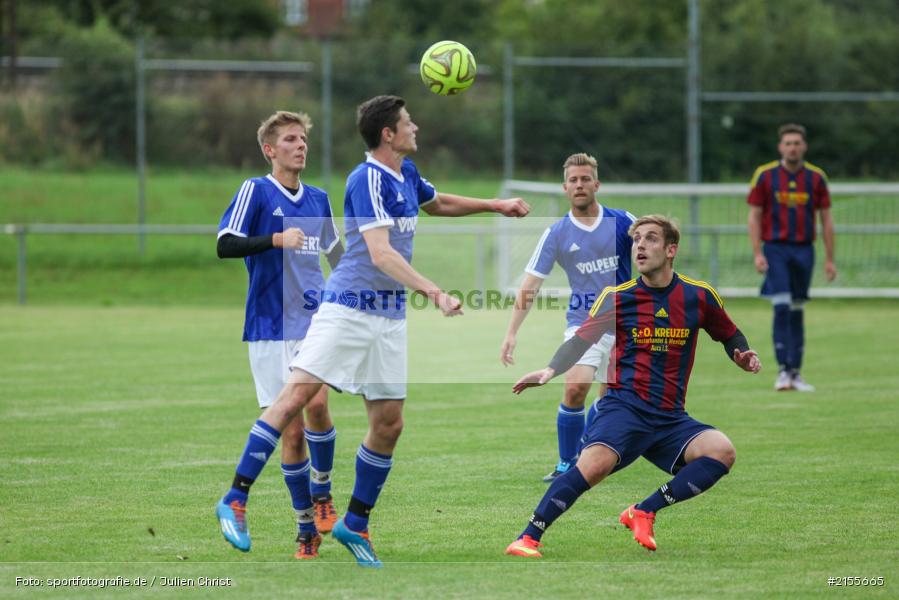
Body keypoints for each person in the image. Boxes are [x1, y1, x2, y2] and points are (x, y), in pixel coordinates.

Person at [216, 95, 530, 567]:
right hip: (345, 309)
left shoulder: (405, 176)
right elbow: (380, 253)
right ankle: (236, 497)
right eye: (408, 123)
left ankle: (354, 523)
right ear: (388, 133)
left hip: (387, 316)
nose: (415, 127)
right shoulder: (365, 179)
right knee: (297, 400)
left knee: (388, 423)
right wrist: (436, 292)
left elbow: (438, 202)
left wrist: (495, 204)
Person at [505, 215, 761, 557]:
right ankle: (527, 538)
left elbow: (729, 333)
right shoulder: (617, 297)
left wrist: (740, 355)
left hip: (670, 417)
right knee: (591, 468)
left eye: (650, 239)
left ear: (671, 249)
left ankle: (644, 510)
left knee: (721, 451)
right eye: (637, 239)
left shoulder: (698, 296)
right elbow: (581, 341)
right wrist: (550, 370)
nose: (640, 245)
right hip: (624, 408)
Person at [216, 110, 344, 559]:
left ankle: (323, 490)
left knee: (320, 405)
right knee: (290, 434)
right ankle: (305, 527)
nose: (300, 145)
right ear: (270, 149)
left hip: (315, 324)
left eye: (304, 138)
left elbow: (337, 256)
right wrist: (273, 240)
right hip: (270, 326)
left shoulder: (319, 198)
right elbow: (224, 243)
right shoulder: (256, 190)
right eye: (290, 139)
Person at [500, 153, 635, 482]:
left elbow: (654, 261)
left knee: (610, 396)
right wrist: (512, 332)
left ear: (596, 184)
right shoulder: (557, 233)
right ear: (565, 187)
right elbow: (530, 284)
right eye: (573, 180)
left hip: (628, 321)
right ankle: (565, 463)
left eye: (585, 178)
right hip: (584, 321)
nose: (579, 184)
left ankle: (588, 454)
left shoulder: (624, 221)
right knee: (576, 385)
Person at [748, 123, 836, 392]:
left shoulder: (817, 178)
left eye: (797, 143)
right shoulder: (765, 176)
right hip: (776, 248)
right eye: (788, 143)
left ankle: (795, 372)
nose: (792, 147)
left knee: (797, 309)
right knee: (782, 306)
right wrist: (757, 252)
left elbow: (826, 219)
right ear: (780, 147)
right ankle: (783, 371)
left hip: (803, 250)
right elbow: (754, 215)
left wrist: (830, 259)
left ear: (804, 146)